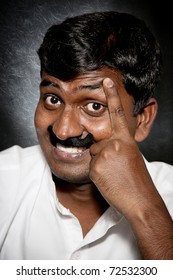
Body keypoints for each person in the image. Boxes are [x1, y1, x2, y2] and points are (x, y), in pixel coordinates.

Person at [0, 11, 173, 260]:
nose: (63, 130)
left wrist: (146, 210)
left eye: (94, 106)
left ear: (143, 119)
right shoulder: (5, 181)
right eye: (53, 99)